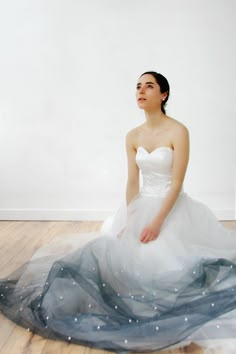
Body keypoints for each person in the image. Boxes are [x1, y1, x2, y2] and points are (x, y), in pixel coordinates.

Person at [1, 71, 236, 354]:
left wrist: (157, 222)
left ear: (163, 95)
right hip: (142, 204)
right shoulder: (132, 136)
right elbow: (133, 182)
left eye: (149, 86)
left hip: (171, 207)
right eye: (138, 86)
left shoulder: (178, 131)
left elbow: (176, 182)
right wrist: (132, 218)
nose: (141, 90)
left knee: (164, 261)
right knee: (108, 251)